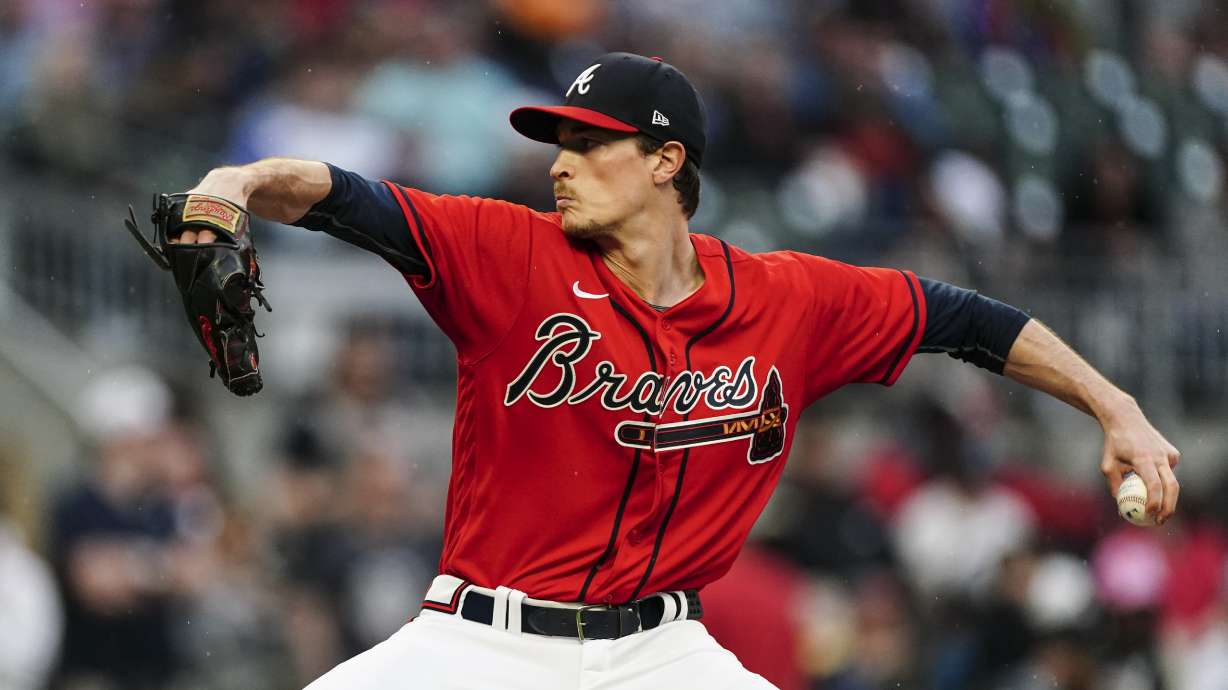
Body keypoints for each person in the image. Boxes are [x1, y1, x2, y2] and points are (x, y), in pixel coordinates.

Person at [169, 53, 1180, 689]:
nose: (560, 162)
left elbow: (965, 320)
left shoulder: (790, 299)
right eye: (557, 143)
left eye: (590, 144)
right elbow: (339, 196)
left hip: (661, 653)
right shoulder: (503, 251)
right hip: (480, 647)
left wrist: (1114, 404)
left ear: (665, 163)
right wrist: (237, 181)